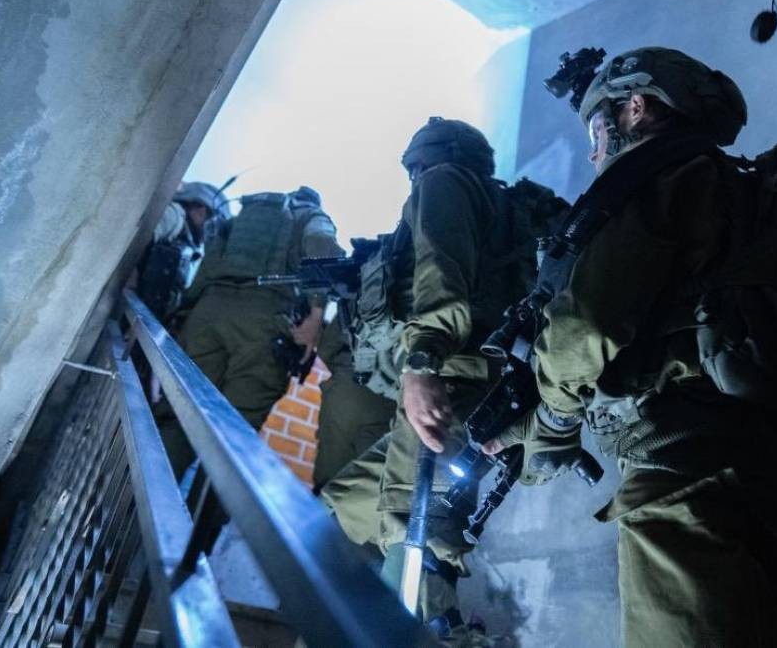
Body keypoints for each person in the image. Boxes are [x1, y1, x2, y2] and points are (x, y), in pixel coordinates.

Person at [481, 47, 777, 646]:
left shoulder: (660, 173)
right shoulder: (735, 188)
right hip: (766, 472)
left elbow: (589, 322)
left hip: (683, 473)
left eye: (595, 133)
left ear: (635, 107)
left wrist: (552, 420)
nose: (595, 154)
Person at [320, 117, 567, 636]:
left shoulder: (445, 180)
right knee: (343, 508)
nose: (414, 179)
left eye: (415, 168)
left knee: (417, 535)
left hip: (452, 375)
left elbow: (441, 270)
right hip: (488, 384)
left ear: (429, 159)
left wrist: (423, 361)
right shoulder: (507, 207)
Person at [159, 185, 343, 479]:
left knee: (179, 415)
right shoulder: (312, 216)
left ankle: (137, 506)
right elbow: (322, 245)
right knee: (235, 435)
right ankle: (203, 510)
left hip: (208, 314)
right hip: (264, 323)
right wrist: (317, 314)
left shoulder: (243, 217)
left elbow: (207, 266)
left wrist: (185, 313)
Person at [311, 317, 396, 492]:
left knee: (329, 486)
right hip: (397, 400)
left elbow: (328, 346)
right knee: (368, 490)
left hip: (354, 381)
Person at [134, 180, 226, 323]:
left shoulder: (193, 247)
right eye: (211, 218)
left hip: (146, 315)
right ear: (201, 209)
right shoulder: (176, 215)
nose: (211, 228)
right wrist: (129, 275)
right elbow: (137, 238)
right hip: (129, 304)